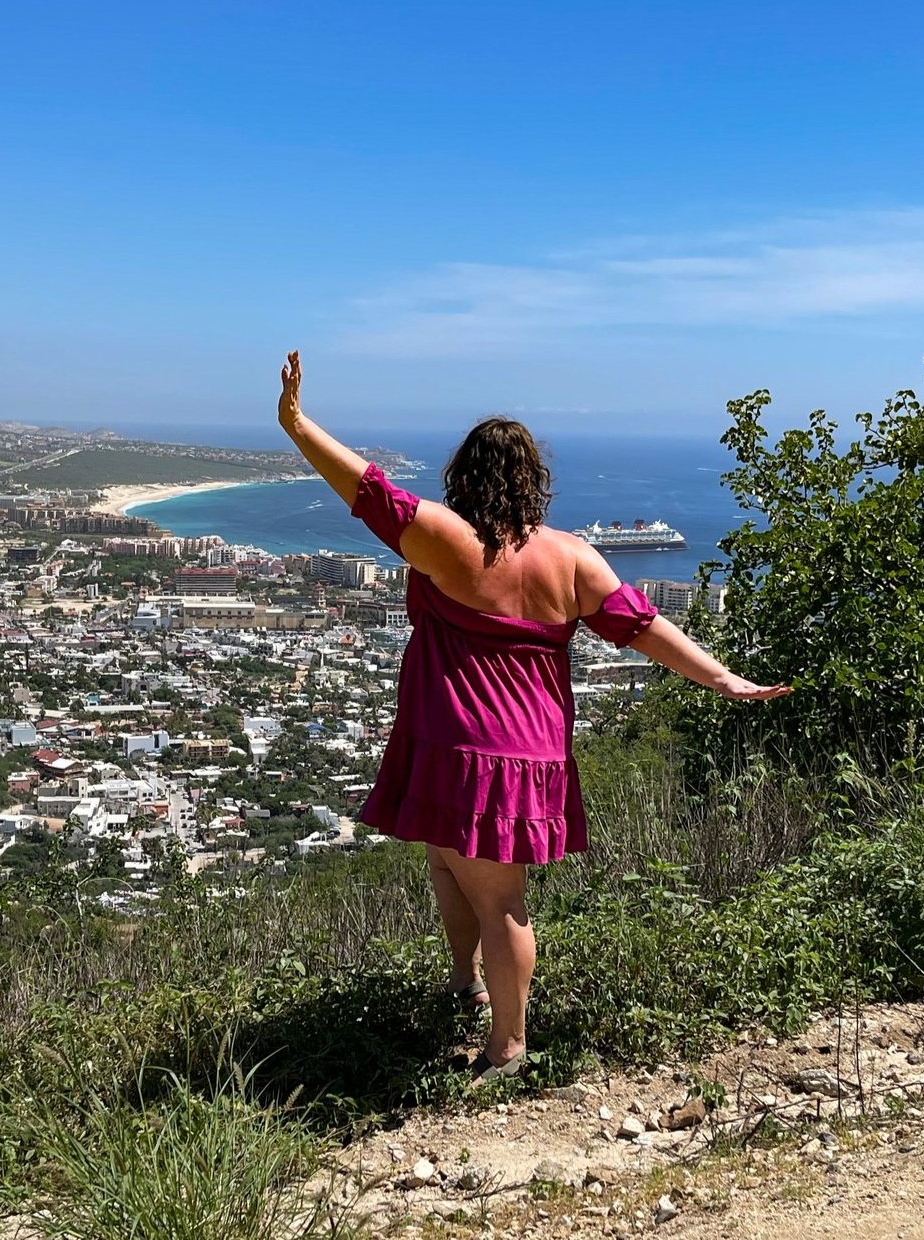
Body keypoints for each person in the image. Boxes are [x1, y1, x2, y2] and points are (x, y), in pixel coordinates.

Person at [276, 350, 789, 1082]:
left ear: (464, 476)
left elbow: (367, 490)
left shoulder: (446, 539)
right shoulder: (574, 558)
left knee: (500, 903)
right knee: (453, 870)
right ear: (532, 480)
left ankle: (506, 1048)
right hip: (533, 751)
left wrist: (295, 421)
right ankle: (463, 985)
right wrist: (719, 676)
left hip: (456, 743)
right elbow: (641, 626)